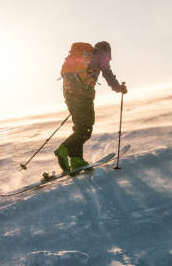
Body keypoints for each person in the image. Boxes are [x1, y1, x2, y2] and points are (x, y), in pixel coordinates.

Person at [54, 41, 127, 172]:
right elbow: (107, 73)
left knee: (80, 127)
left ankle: (76, 160)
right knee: (86, 128)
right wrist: (119, 88)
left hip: (69, 93)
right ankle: (64, 148)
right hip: (82, 95)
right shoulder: (100, 55)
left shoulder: (83, 56)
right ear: (106, 51)